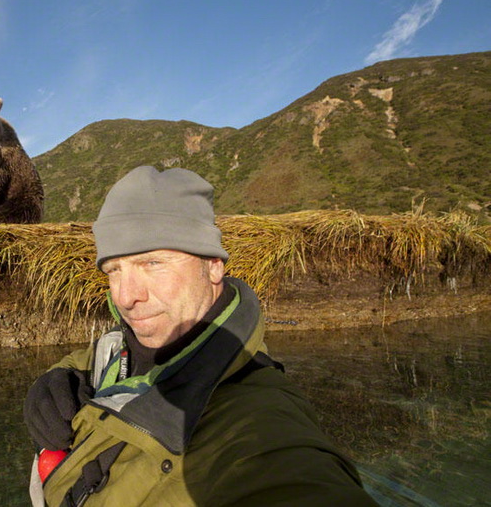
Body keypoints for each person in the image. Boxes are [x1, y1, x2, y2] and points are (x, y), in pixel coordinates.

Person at [23, 166, 377, 506]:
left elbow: (293, 482)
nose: (126, 295)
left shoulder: (260, 426)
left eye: (152, 263)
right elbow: (107, 352)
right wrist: (63, 374)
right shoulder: (124, 346)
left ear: (213, 266)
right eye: (114, 270)